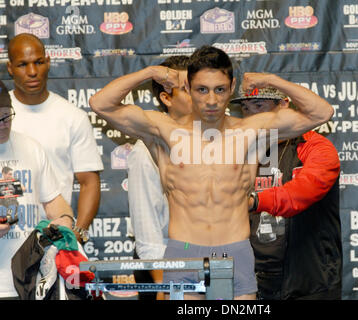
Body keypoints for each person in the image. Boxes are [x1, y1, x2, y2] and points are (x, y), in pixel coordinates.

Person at [89, 45, 334, 299]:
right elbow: (101, 104)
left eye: (220, 89)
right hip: (184, 252)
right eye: (202, 90)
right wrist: (150, 72)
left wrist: (270, 80)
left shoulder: (251, 132)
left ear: (232, 86)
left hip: (235, 252)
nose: (211, 100)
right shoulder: (163, 131)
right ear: (188, 88)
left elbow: (321, 112)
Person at [230, 85, 342, 300]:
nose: (252, 115)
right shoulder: (241, 152)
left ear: (284, 106)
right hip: (253, 279)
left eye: (259, 106)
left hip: (308, 280)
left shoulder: (315, 146)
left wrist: (253, 201)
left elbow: (301, 194)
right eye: (245, 108)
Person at [6, 33, 104, 244]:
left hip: (54, 236)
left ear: (48, 62)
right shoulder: (3, 115)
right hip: (7, 236)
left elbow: (89, 182)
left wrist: (77, 234)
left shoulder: (72, 116)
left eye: (38, 62)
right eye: (23, 64)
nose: (32, 72)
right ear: (10, 68)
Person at [0, 80, 75, 299]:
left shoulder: (31, 147)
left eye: (7, 116)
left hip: (30, 280)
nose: (4, 124)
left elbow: (54, 202)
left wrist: (65, 218)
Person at [127, 55, 192, 300]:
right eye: (187, 89)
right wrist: (163, 287)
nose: (198, 96)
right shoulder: (145, 150)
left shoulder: (212, 140)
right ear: (166, 98)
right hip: (161, 266)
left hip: (203, 259)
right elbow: (148, 230)